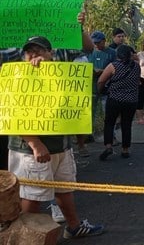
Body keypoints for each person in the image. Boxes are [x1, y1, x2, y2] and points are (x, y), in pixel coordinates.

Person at [8, 35, 104, 239]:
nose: (33, 55)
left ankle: (74, 226)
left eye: (39, 50)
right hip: (31, 150)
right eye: (29, 51)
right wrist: (34, 142)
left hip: (61, 145)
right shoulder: (18, 76)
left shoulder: (63, 75)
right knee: (32, 197)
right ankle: (20, 239)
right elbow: (13, 113)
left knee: (64, 188)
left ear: (51, 53)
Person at [98, 45, 140, 160]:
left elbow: (101, 81)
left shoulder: (113, 66)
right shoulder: (137, 67)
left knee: (109, 123)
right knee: (126, 124)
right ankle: (125, 149)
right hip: (131, 100)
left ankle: (108, 146)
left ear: (118, 55)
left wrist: (101, 90)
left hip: (115, 99)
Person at [82, 31, 116, 157]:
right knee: (89, 112)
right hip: (90, 86)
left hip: (107, 86)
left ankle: (112, 137)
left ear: (104, 41)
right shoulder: (88, 51)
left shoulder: (112, 53)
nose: (96, 45)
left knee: (108, 113)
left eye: (98, 42)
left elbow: (116, 68)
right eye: (94, 42)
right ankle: (87, 135)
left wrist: (103, 72)